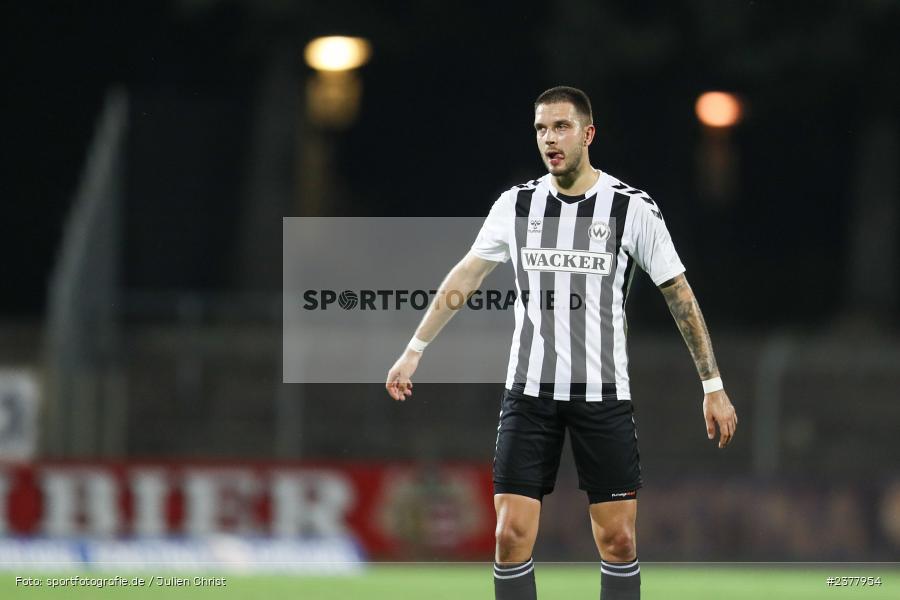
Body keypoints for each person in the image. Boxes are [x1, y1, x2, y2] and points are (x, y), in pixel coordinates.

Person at [385, 85, 737, 600]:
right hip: (529, 396)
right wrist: (414, 348)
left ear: (588, 134)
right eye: (541, 129)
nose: (549, 139)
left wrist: (713, 385)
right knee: (509, 536)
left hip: (603, 395)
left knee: (617, 539)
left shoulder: (630, 208)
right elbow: (467, 276)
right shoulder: (516, 205)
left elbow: (678, 295)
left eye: (561, 127)